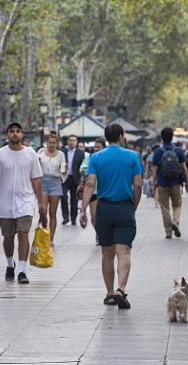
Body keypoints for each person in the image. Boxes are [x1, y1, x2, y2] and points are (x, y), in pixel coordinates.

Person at [79, 123, 142, 309]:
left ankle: (109, 293)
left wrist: (83, 210)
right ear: (122, 135)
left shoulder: (96, 158)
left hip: (104, 209)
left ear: (106, 137)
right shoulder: (132, 156)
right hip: (125, 207)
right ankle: (121, 289)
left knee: (107, 253)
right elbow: (138, 185)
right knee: (124, 251)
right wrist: (134, 205)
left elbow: (90, 184)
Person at [0, 122, 47, 284]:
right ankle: (9, 265)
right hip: (5, 203)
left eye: (18, 131)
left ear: (22, 134)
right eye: (11, 131)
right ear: (7, 134)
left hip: (25, 201)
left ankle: (21, 270)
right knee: (7, 237)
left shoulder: (30, 154)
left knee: (23, 233)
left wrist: (41, 202)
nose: (15, 134)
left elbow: (37, 179)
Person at [152, 127, 188, 239]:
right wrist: (187, 183)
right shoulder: (178, 151)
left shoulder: (158, 152)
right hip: (176, 183)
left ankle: (168, 232)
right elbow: (184, 168)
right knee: (177, 204)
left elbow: (154, 170)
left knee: (165, 208)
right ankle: (175, 221)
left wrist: (153, 183)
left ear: (162, 137)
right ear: (172, 137)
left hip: (162, 183)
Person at [37, 133, 66, 246]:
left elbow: (64, 169)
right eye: (50, 142)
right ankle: (44, 231)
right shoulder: (40, 152)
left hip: (55, 182)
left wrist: (62, 175)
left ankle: (51, 239)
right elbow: (35, 166)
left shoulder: (61, 155)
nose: (52, 145)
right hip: (43, 182)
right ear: (46, 142)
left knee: (52, 212)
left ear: (57, 144)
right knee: (43, 211)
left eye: (54, 143)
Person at [79, 137, 107, 245]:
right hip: (93, 192)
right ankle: (98, 233)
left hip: (104, 191)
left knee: (104, 216)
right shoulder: (90, 158)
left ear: (104, 148)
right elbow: (82, 169)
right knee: (94, 217)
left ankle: (103, 234)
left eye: (99, 147)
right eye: (95, 147)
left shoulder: (107, 159)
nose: (96, 149)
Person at [61, 135, 86, 225]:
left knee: (74, 200)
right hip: (65, 178)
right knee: (63, 196)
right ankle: (65, 217)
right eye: (70, 140)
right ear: (68, 141)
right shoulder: (62, 152)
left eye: (74, 140)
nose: (72, 142)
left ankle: (73, 219)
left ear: (76, 142)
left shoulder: (80, 153)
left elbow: (82, 167)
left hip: (75, 178)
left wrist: (82, 180)